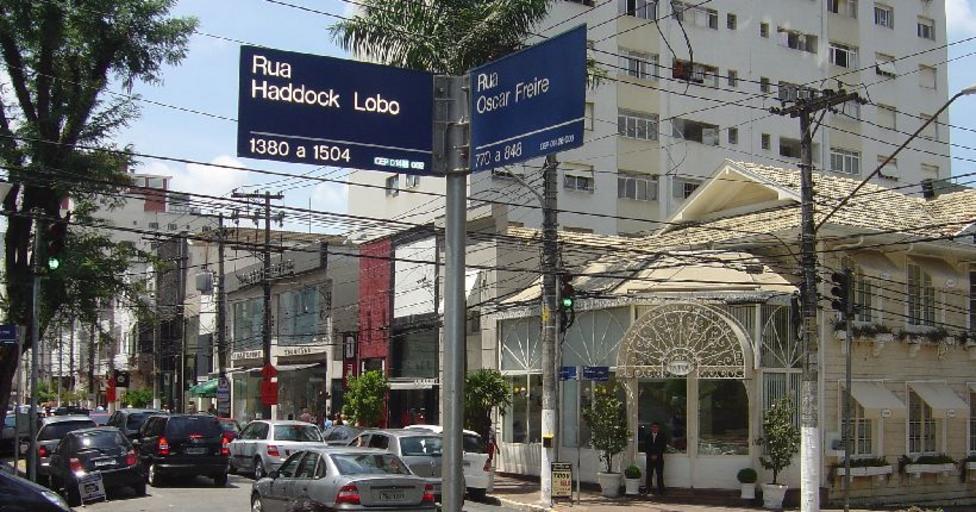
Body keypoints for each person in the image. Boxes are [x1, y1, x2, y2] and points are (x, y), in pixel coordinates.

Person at [644, 422, 667, 496]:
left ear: (658, 428)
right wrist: (650, 455)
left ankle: (661, 490)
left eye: (656, 427)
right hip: (649, 458)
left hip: (659, 458)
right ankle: (648, 489)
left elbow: (663, 447)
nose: (654, 428)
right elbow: (646, 447)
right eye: (653, 427)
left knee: (659, 474)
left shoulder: (662, 436)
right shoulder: (648, 436)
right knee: (649, 474)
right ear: (651, 428)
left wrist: (656, 455)